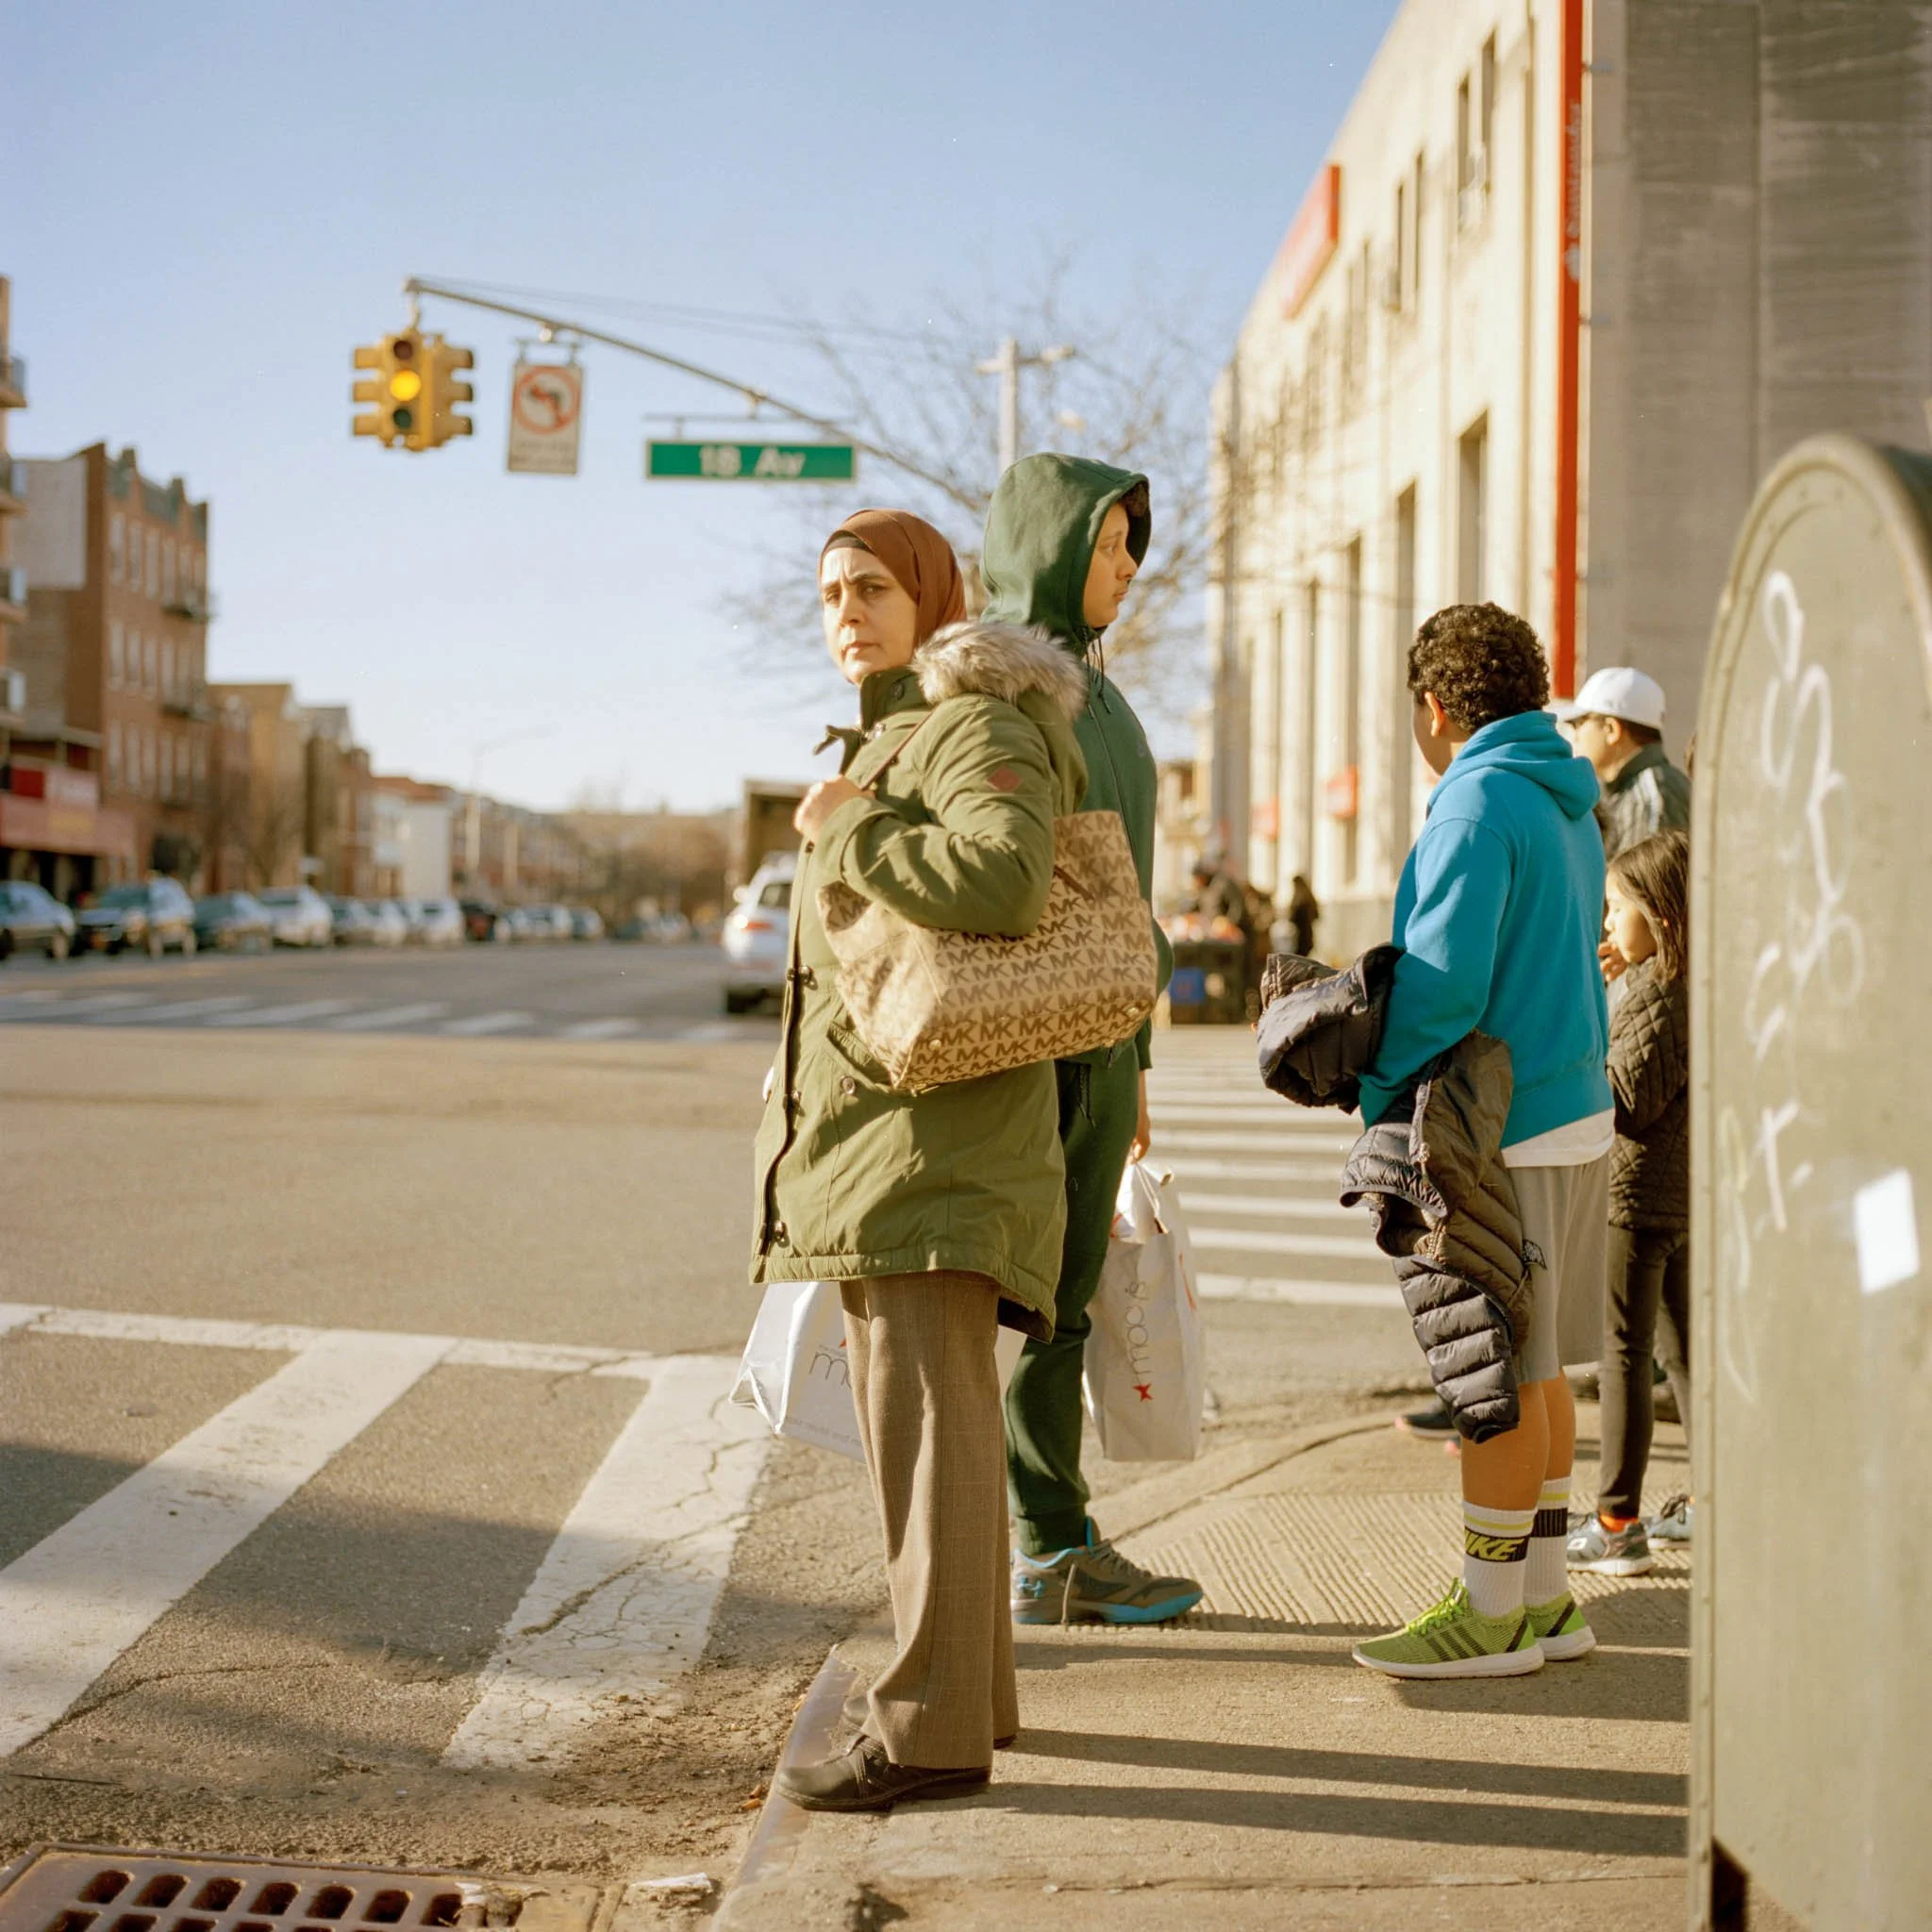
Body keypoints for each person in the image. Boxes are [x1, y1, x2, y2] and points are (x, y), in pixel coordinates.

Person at [755, 508, 1091, 1810]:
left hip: (931, 1148)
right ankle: (971, 1702)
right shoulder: (900, 734)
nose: (846, 608)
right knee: (934, 1439)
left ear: (936, 598)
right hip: (891, 1141)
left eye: (874, 586)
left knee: (935, 1438)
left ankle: (928, 1736)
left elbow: (1004, 881)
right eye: (831, 589)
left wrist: (845, 827)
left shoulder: (971, 723)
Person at [1350, 603, 1612, 1679]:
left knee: (1491, 1373)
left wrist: (1369, 1082)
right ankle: (1544, 1602)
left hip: (1499, 1127)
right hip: (1573, 1107)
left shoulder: (1470, 806)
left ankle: (1489, 1610)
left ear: (1434, 705)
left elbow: (1443, 984)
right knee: (1538, 1364)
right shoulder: (1565, 802)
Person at [977, 454, 1202, 1625]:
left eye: (1130, 547)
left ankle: (1050, 1536)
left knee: (1066, 1297)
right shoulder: (998, 692)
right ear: (1052, 545)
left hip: (1104, 1043)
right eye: (1108, 545)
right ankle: (1033, 1539)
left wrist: (1141, 1062)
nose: (1125, 568)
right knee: (1017, 1302)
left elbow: (1135, 892)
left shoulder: (1101, 693)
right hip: (1026, 1050)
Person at [1569, 831, 1692, 1574]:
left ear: (1661, 914)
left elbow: (1625, 1100)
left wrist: (1588, 1027)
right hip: (1678, 1196)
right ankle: (1715, 1499)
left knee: (1622, 1355)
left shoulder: (1656, 986)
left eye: (1617, 910)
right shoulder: (1687, 980)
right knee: (1682, 1355)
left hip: (1635, 1194)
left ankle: (1618, 1520)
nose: (1609, 925)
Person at [1555, 665, 1691, 860]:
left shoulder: (1653, 797)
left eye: (1578, 723)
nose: (1574, 736)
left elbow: (1642, 889)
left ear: (1611, 729)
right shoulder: (1632, 788)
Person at [1285, 873, 1320, 958]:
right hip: (1302, 933)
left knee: (1301, 954)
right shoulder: (1306, 897)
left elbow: (1295, 916)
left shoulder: (1302, 899)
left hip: (1303, 934)